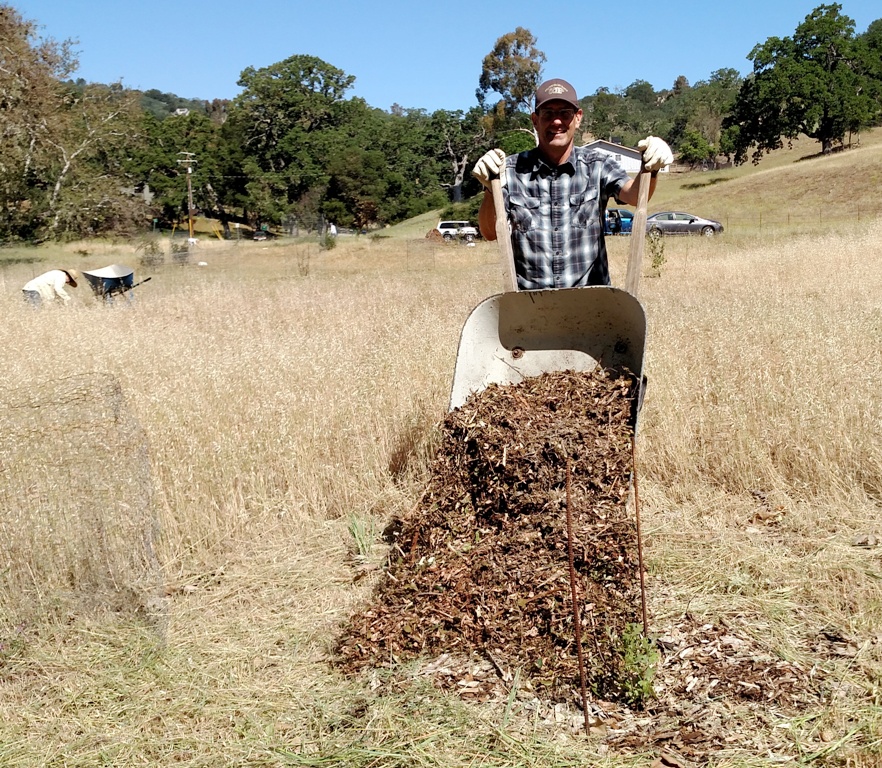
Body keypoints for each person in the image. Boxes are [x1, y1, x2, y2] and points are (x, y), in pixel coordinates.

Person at [472, 78, 673, 290]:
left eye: (564, 114)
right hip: (530, 309)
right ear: (535, 120)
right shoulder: (511, 171)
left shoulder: (598, 166)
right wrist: (489, 189)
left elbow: (634, 195)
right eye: (548, 113)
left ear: (578, 118)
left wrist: (650, 169)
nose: (556, 121)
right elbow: (489, 232)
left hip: (591, 305)